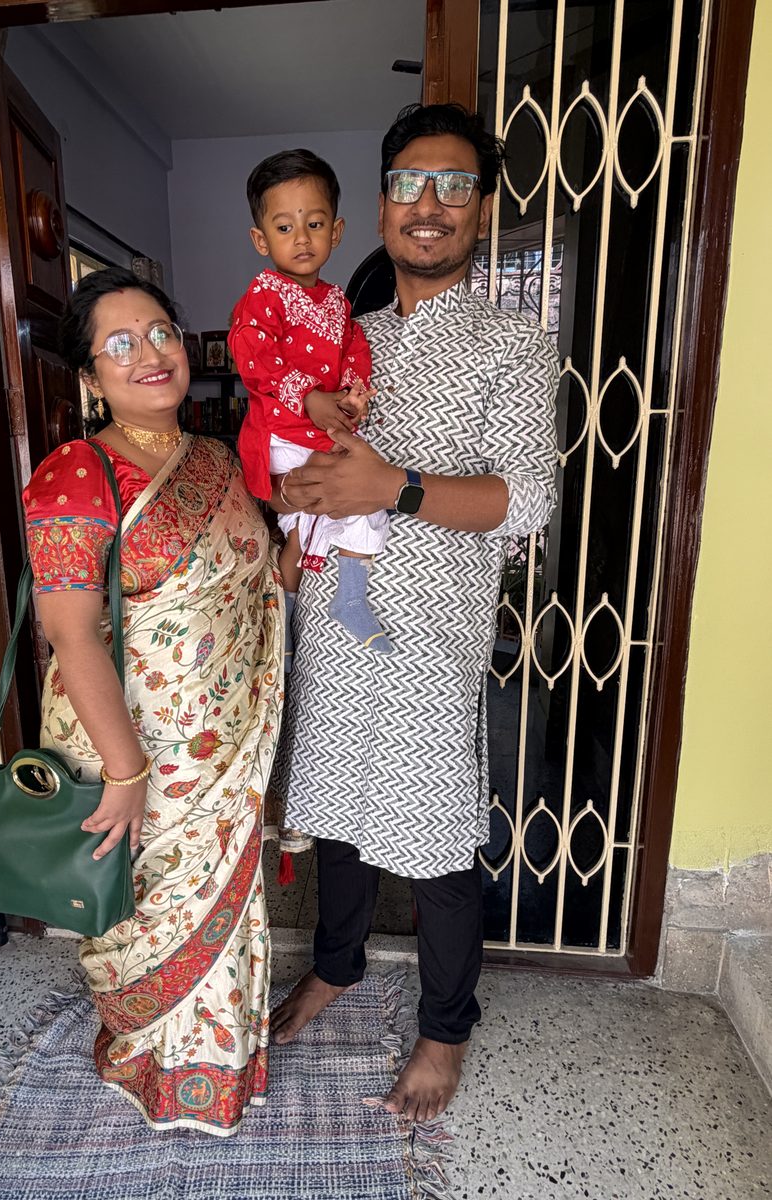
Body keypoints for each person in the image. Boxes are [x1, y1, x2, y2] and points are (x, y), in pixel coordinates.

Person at [270, 104, 559, 1123]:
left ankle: (445, 1028)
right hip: (336, 624)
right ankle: (337, 967)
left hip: (431, 635)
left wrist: (393, 487)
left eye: (453, 185)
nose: (428, 205)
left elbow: (529, 501)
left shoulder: (510, 344)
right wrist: (297, 505)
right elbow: (301, 468)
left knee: (435, 844)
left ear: (482, 210)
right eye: (407, 183)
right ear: (382, 201)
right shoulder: (343, 336)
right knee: (339, 819)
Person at [21, 266, 283, 1135]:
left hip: (219, 743)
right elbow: (71, 635)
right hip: (134, 753)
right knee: (143, 914)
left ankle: (220, 1065)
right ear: (91, 377)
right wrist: (128, 773)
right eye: (120, 344)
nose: (151, 355)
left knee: (223, 905)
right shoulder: (76, 472)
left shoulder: (212, 457)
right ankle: (147, 1057)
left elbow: (248, 587)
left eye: (162, 333)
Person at [228, 148, 392, 666]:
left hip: (324, 430)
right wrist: (308, 396)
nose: (301, 237)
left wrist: (353, 392)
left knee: (365, 505)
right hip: (282, 430)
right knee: (308, 518)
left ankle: (346, 597)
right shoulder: (264, 295)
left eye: (314, 223)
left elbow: (354, 349)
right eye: (284, 226)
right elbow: (251, 354)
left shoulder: (339, 303)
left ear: (337, 232)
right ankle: (287, 614)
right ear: (261, 240)